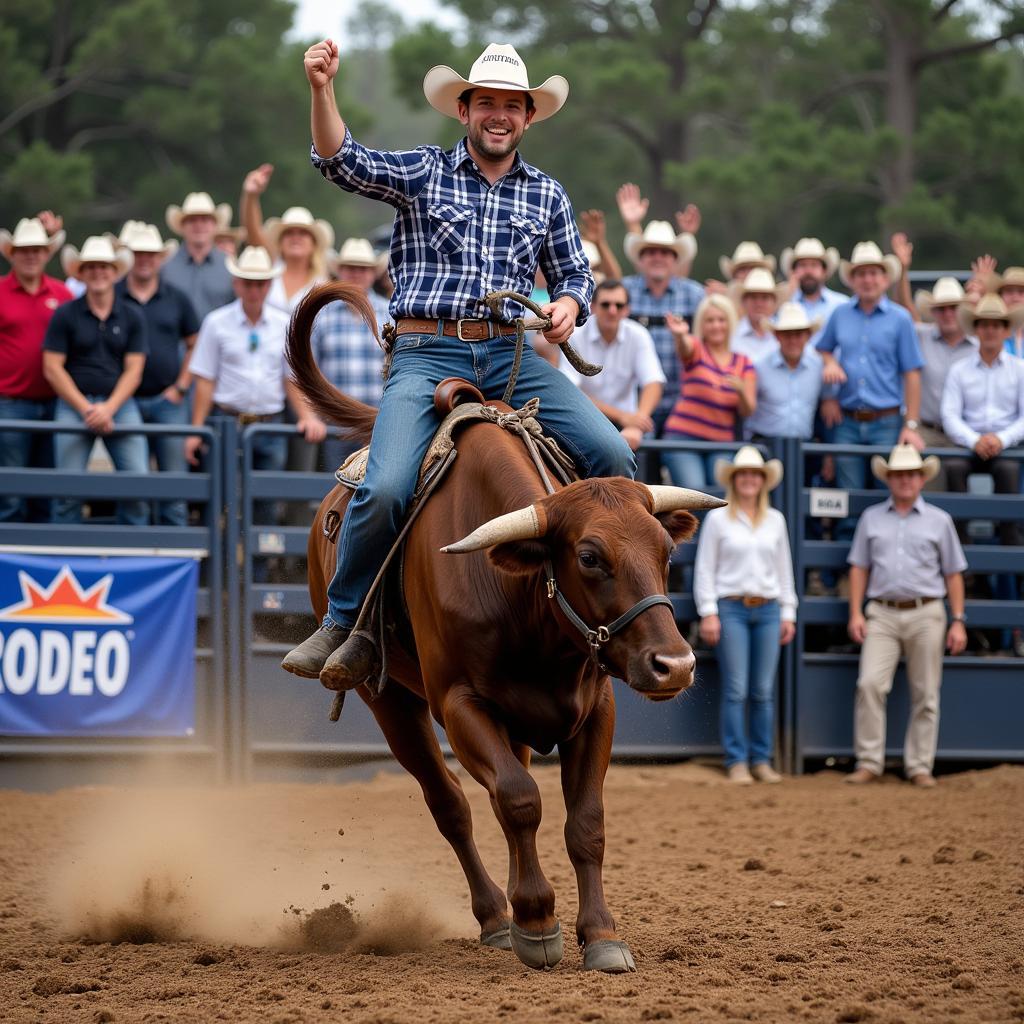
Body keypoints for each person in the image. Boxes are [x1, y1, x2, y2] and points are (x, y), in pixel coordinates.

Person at [283, 39, 634, 687]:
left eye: (512, 106)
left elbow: (575, 275)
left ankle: (606, 617)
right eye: (487, 104)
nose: (499, 115)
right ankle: (345, 619)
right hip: (425, 351)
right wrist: (322, 90)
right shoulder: (423, 171)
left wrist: (566, 305)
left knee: (613, 455)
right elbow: (341, 161)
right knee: (387, 486)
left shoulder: (547, 195)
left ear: (528, 117)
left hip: (511, 355)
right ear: (464, 111)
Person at [845, 445, 968, 787]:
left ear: (921, 479)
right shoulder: (872, 518)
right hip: (881, 612)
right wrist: (856, 612)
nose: (905, 481)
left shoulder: (939, 521)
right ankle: (869, 761)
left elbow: (953, 573)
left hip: (927, 611)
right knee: (869, 683)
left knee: (926, 692)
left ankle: (919, 766)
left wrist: (958, 619)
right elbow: (859, 568)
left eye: (911, 474)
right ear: (890, 479)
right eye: (899, 475)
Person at [184, 246, 327, 512]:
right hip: (226, 421)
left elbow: (290, 379)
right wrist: (197, 429)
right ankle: (223, 553)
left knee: (267, 500)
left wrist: (307, 416)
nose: (254, 290)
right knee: (221, 497)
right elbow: (205, 380)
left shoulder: (284, 323)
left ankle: (262, 554)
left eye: (260, 284)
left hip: (268, 423)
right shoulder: (216, 323)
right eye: (249, 283)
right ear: (237, 285)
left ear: (268, 286)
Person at [694, 447, 796, 785]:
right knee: (737, 688)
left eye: (755, 474)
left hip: (768, 608)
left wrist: (788, 611)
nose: (749, 479)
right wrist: (709, 612)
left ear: (763, 481)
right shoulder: (718, 519)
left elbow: (784, 571)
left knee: (763, 690)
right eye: (744, 474)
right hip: (731, 608)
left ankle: (761, 760)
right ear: (735, 480)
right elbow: (705, 568)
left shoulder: (776, 520)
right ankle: (737, 760)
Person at [815, 241, 924, 543]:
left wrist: (910, 425)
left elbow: (912, 373)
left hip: (886, 421)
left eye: (874, 273)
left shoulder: (900, 319)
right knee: (848, 500)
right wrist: (829, 386)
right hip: (847, 420)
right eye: (861, 273)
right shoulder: (839, 314)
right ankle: (851, 573)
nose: (867, 279)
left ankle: (883, 570)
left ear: (885, 278)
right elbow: (822, 350)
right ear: (852, 279)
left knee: (885, 498)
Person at [42, 236, 149, 526]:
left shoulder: (132, 315)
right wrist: (86, 409)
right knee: (67, 490)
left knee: (138, 484)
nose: (98, 272)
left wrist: (108, 408)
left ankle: (134, 556)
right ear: (81, 273)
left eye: (104, 266)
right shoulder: (66, 314)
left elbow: (134, 369)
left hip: (120, 405)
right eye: (91, 267)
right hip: (74, 405)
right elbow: (52, 367)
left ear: (115, 272)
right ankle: (66, 556)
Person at [116, 223, 201, 527]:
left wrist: (181, 386)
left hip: (168, 399)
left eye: (150, 254)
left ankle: (175, 558)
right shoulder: (114, 294)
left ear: (159, 258)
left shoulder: (175, 298)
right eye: (138, 254)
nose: (144, 259)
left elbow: (195, 344)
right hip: (125, 403)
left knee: (173, 486)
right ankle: (133, 553)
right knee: (132, 487)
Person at [0, 214, 72, 522]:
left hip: (56, 402)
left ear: (47, 254)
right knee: (12, 489)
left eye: (37, 249)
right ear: (12, 254)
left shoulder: (61, 295)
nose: (31, 256)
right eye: (24, 250)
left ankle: (43, 561)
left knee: (49, 485)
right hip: (11, 402)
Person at [616, 186, 704, 433]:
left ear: (675, 260)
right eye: (651, 252)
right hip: (634, 401)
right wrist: (632, 225)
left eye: (665, 252)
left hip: (683, 402)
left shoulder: (694, 295)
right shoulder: (625, 292)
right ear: (640, 259)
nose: (658, 258)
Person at [941, 293, 1024, 539]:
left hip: (1007, 447)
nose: (990, 331)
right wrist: (974, 439)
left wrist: (1002, 439)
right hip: (969, 445)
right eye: (984, 325)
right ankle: (960, 543)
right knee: (954, 468)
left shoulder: (1019, 370)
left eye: (996, 325)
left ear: (1006, 331)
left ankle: (1010, 545)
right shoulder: (959, 370)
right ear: (976, 330)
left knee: (1008, 471)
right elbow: (950, 414)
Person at [557, 278, 665, 452]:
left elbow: (653, 381)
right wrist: (624, 417)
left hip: (626, 425)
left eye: (619, 305)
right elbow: (571, 390)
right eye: (606, 304)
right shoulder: (576, 335)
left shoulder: (638, 334)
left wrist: (637, 422)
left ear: (627, 310)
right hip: (586, 420)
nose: (612, 310)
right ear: (593, 307)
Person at [661, 294, 756, 488]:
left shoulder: (743, 362)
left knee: (720, 496)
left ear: (730, 323)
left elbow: (748, 410)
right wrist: (680, 335)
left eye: (721, 320)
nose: (716, 326)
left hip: (721, 442)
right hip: (684, 438)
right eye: (710, 321)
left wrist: (741, 391)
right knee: (695, 492)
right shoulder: (697, 348)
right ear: (702, 325)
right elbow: (685, 348)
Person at [313, 238, 391, 469]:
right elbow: (309, 367)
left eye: (363, 268)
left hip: (377, 422)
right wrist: (311, 415)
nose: (356, 274)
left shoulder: (390, 313)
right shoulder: (322, 314)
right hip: (335, 423)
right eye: (350, 268)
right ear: (340, 271)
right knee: (334, 490)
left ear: (372, 274)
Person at [906, 277, 977, 489]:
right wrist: (903, 272)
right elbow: (904, 312)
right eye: (942, 308)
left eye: (954, 308)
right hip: (928, 430)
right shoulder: (921, 335)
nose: (948, 314)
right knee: (927, 486)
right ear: (934, 312)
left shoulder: (979, 344)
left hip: (965, 431)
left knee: (958, 479)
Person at [240, 164, 333, 314]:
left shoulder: (323, 283)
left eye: (303, 233)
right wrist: (251, 196)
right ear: (280, 242)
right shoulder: (270, 266)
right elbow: (253, 233)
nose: (295, 237)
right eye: (289, 233)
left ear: (313, 244)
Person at [744, 303, 824, 442]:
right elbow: (747, 410)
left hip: (804, 446)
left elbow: (827, 403)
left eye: (798, 334)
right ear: (777, 336)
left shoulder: (818, 366)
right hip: (766, 443)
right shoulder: (760, 367)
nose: (793, 341)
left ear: (808, 336)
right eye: (787, 335)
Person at [162, 191, 236, 320]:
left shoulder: (230, 266)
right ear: (182, 226)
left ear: (214, 225)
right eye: (192, 220)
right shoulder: (166, 268)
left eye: (205, 219)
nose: (199, 225)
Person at [779, 237, 846, 343]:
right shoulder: (783, 305)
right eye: (803, 265)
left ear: (824, 271)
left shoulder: (841, 305)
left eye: (814, 265)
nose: (808, 271)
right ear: (794, 271)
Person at [729, 267, 786, 362]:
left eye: (765, 298)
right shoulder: (731, 335)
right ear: (744, 302)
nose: (759, 303)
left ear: (774, 303)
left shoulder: (785, 334)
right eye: (753, 298)